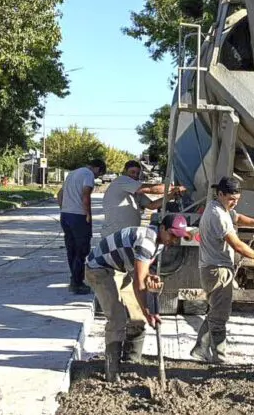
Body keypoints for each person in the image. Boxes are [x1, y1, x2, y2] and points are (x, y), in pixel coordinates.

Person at [85, 214, 192, 381]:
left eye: (178, 237)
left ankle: (131, 362)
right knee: (117, 317)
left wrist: (149, 277)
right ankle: (112, 370)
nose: (174, 240)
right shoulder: (146, 242)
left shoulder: (159, 242)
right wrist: (148, 311)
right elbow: (139, 284)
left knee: (137, 317)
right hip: (99, 269)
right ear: (162, 228)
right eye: (172, 235)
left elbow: (142, 272)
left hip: (121, 269)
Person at [190, 176, 254, 363]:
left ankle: (200, 349)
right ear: (220, 194)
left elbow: (237, 218)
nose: (234, 202)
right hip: (217, 270)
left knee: (215, 310)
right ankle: (219, 356)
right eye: (231, 199)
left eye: (237, 199)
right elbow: (237, 245)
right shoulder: (218, 216)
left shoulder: (218, 207)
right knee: (220, 315)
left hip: (212, 268)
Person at [100, 160, 185, 237]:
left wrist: (171, 196)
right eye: (132, 172)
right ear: (125, 172)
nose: (135, 176)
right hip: (113, 235)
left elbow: (152, 205)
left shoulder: (136, 192)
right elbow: (150, 189)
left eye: (137, 173)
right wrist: (173, 188)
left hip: (128, 235)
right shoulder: (121, 180)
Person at [58, 158, 106, 295]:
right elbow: (86, 196)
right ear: (97, 168)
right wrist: (88, 214)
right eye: (99, 174)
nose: (97, 177)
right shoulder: (88, 175)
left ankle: (74, 278)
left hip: (66, 215)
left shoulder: (72, 173)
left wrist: (63, 209)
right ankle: (77, 283)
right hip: (79, 216)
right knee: (82, 250)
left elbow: (60, 193)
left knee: (71, 249)